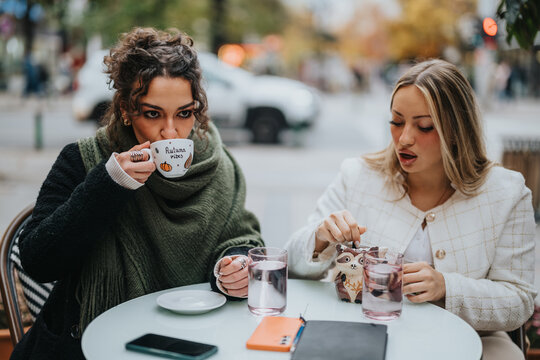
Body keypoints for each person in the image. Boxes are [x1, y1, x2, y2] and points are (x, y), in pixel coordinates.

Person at [13, 27, 263, 359]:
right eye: (152, 113)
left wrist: (232, 268)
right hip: (86, 343)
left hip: (192, 339)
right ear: (127, 110)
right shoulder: (86, 160)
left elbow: (238, 236)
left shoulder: (217, 164)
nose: (171, 131)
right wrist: (108, 185)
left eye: (185, 113)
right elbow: (37, 261)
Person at [285, 59, 536, 360]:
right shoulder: (358, 176)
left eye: (424, 126)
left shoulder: (506, 192)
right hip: (365, 334)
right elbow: (293, 262)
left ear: (457, 129)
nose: (404, 138)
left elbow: (519, 300)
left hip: (470, 337)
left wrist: (446, 287)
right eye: (396, 121)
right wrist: (320, 238)